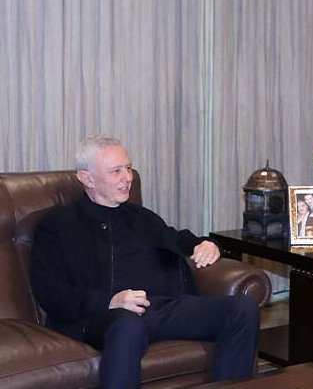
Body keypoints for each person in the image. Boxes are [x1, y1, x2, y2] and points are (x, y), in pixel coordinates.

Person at [30, 135, 260, 389]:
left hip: (164, 308)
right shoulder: (59, 226)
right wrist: (110, 301)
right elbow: (50, 291)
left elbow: (179, 238)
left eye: (128, 168)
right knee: (128, 326)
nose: (127, 177)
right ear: (87, 178)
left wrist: (206, 244)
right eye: (116, 171)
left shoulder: (142, 217)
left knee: (242, 309)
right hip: (106, 315)